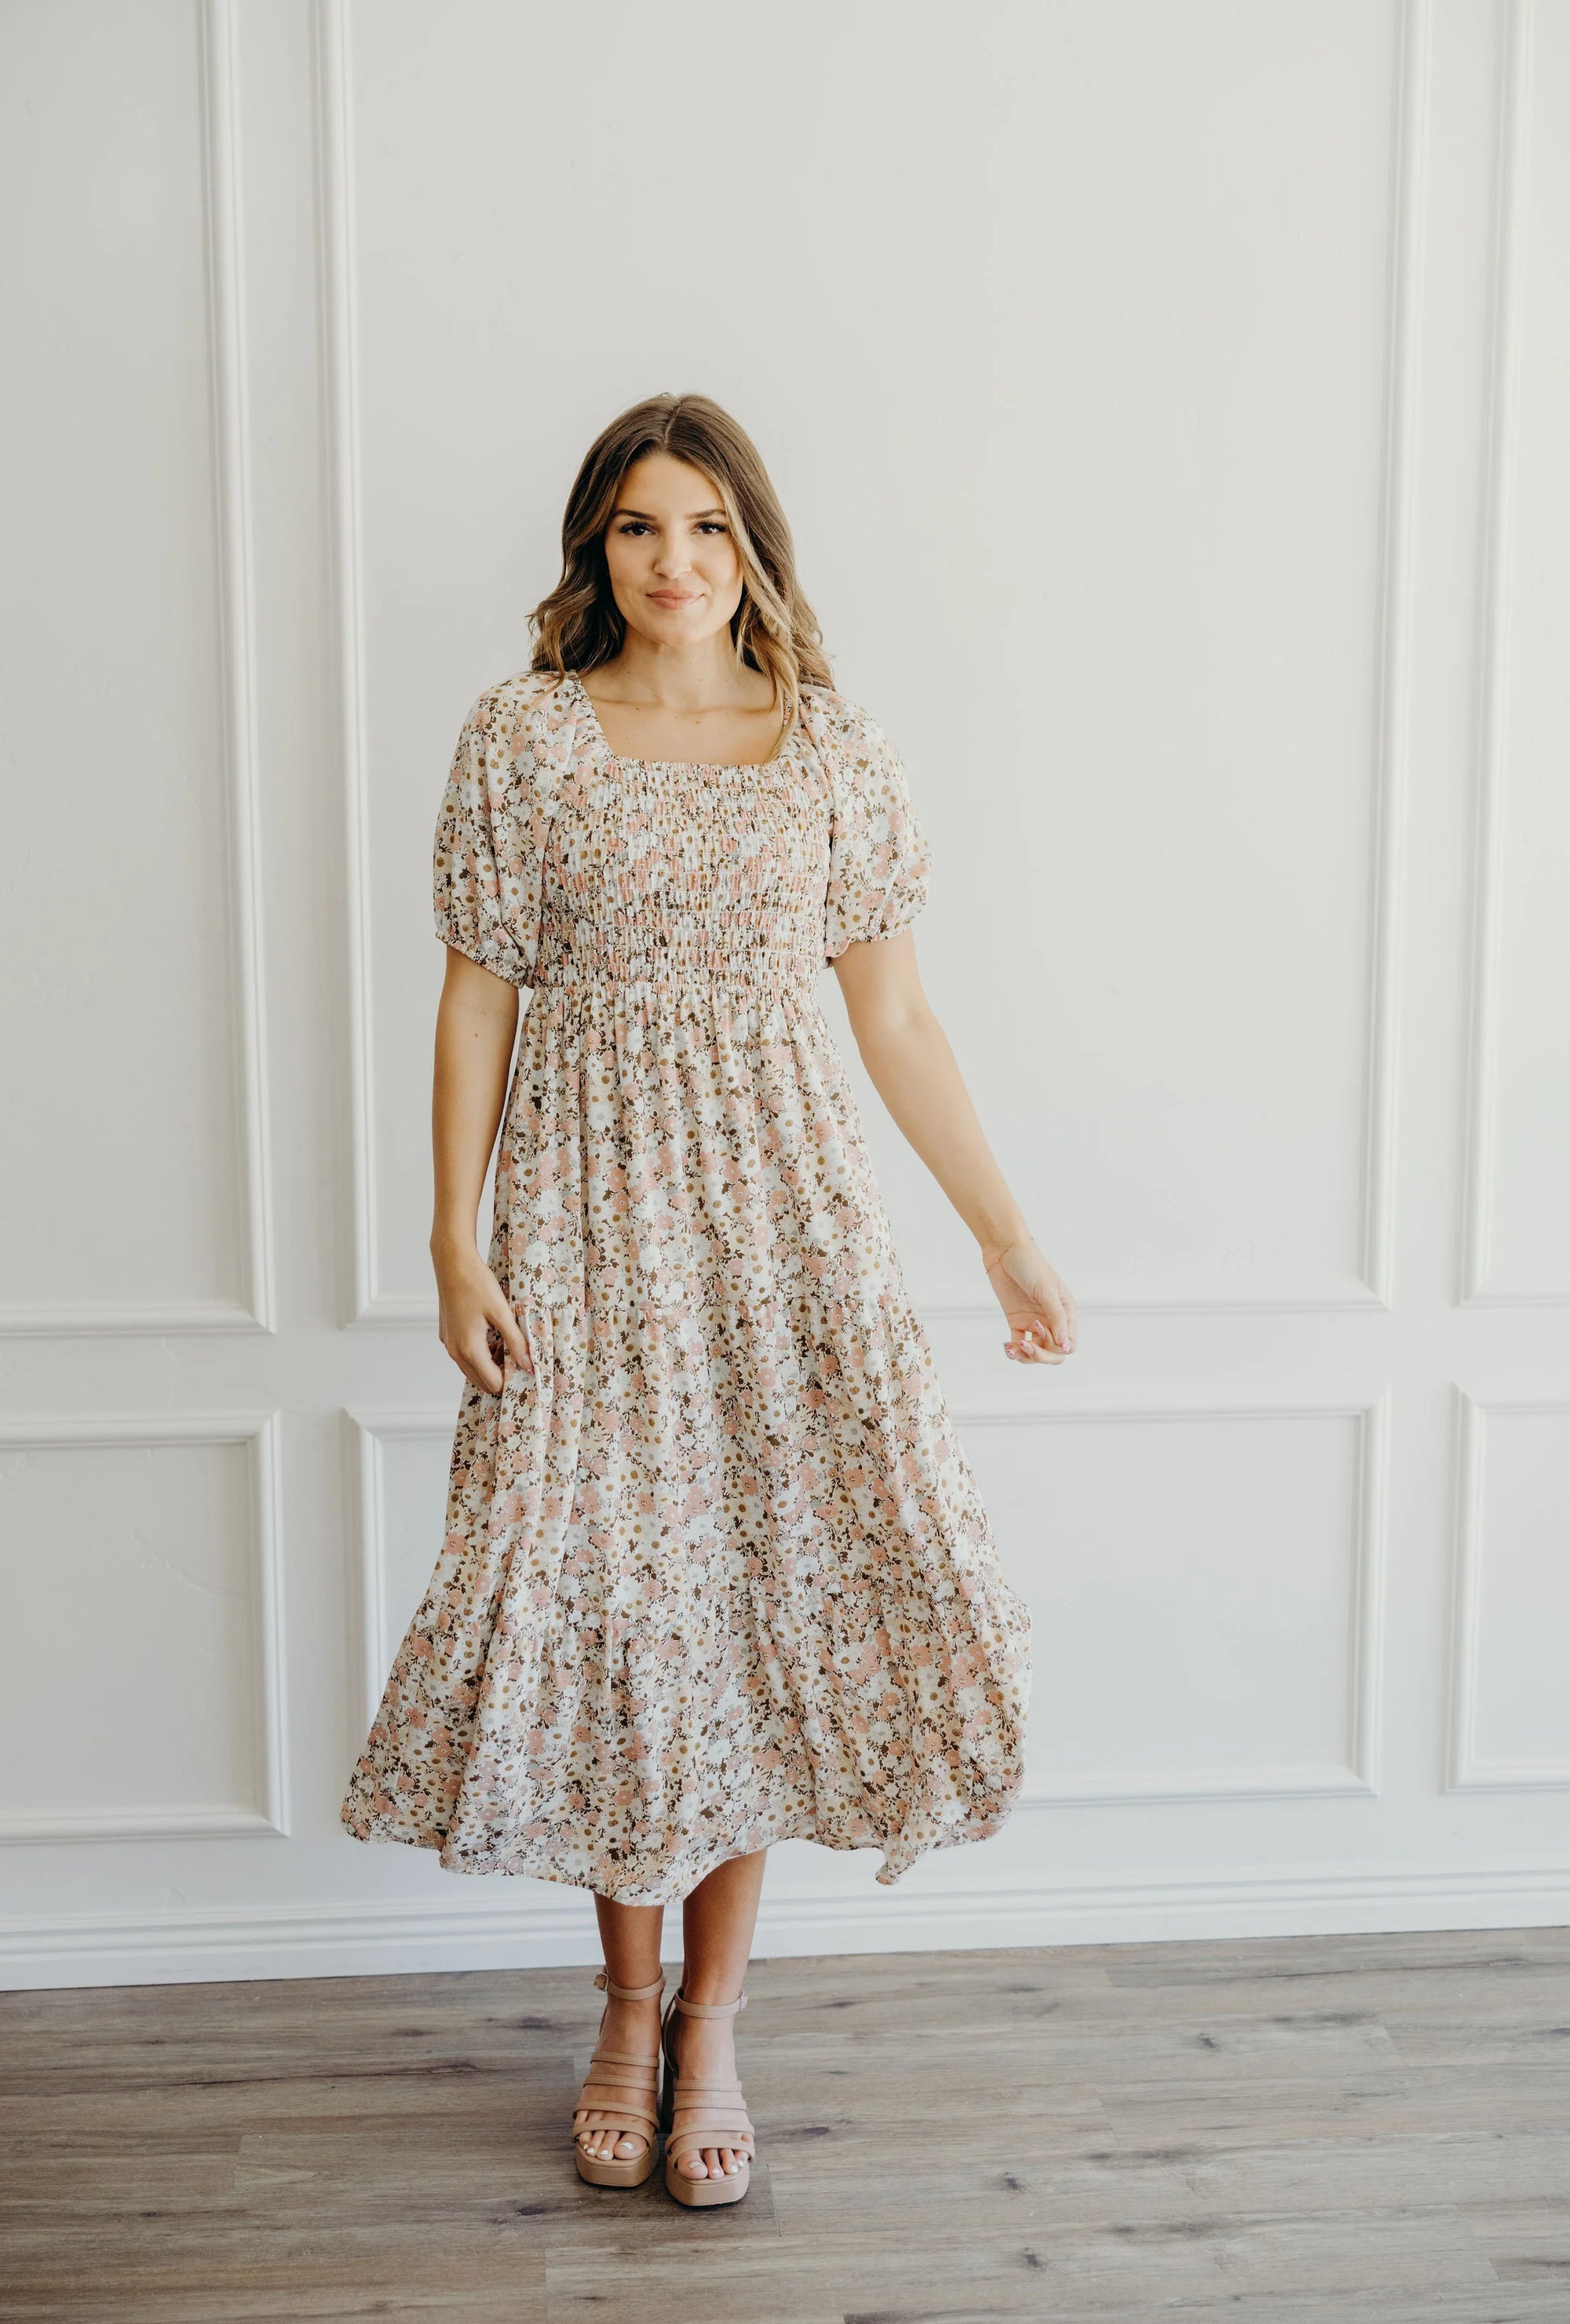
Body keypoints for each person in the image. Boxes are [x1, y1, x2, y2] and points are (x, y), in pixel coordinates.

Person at [342, 392, 1076, 2207]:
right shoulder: (521, 736)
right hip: (587, 1223)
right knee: (616, 1608)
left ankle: (715, 2022)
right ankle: (622, 2010)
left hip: (781, 1231)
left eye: (707, 527)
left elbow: (895, 1019)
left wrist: (1002, 1234)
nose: (674, 562)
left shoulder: (830, 743)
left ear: (753, 546)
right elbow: (477, 1000)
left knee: (756, 1600)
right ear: (594, 549)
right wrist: (452, 1240)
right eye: (638, 527)